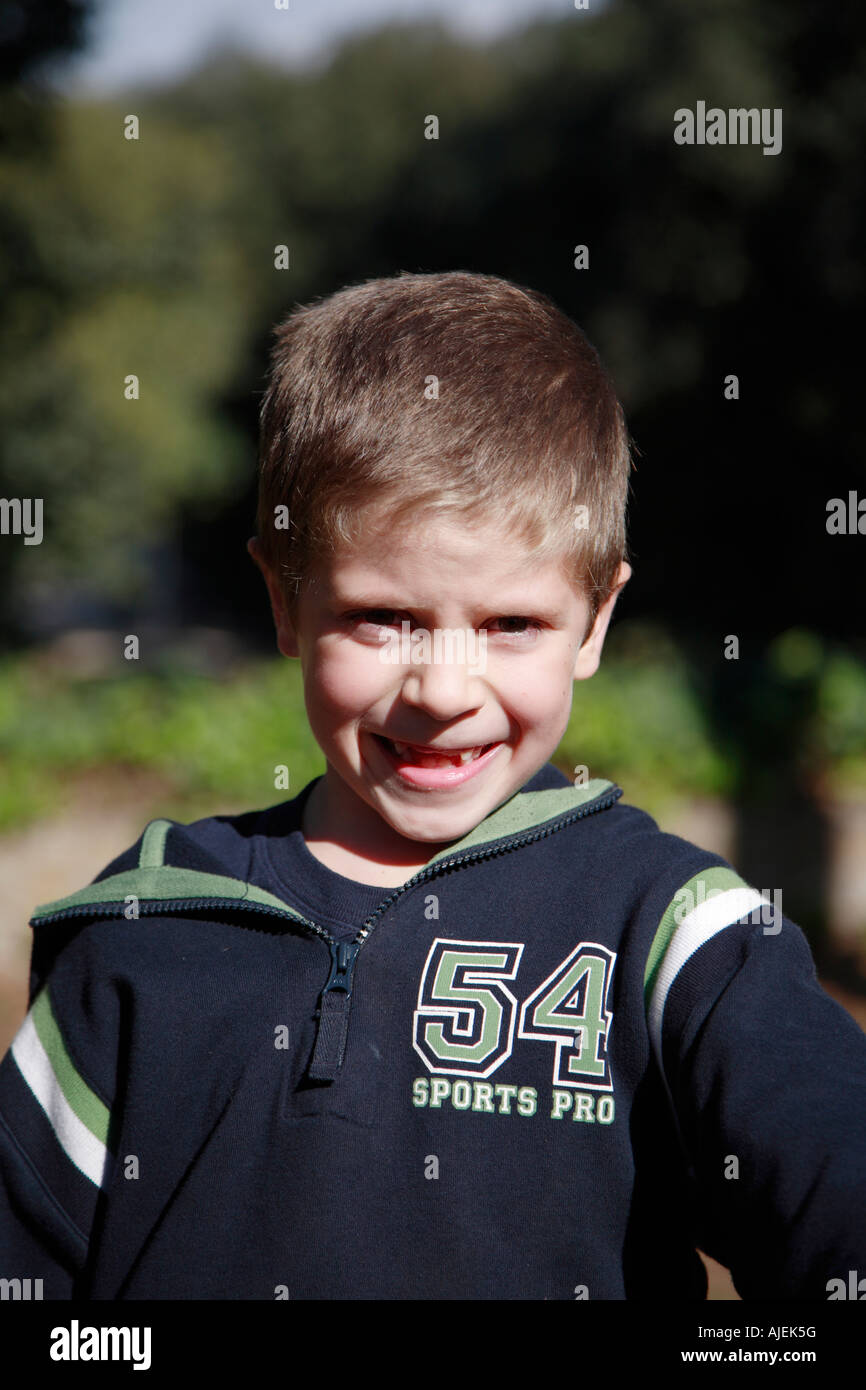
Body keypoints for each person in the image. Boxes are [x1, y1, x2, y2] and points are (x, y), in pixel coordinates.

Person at [1, 271, 864, 1300]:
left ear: (592, 621)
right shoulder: (142, 924)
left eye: (511, 625)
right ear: (284, 600)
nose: (444, 690)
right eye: (382, 617)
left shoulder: (679, 939)